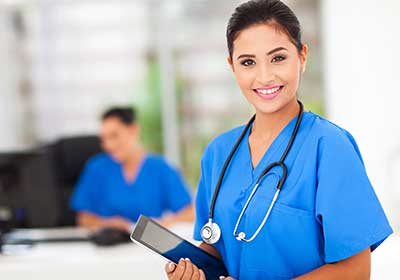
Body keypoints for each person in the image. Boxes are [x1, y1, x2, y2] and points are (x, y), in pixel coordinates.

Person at [165, 0, 393, 279]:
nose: (264, 76)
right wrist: (194, 271)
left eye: (278, 58)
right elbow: (219, 246)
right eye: (248, 62)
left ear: (303, 57)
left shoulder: (330, 147)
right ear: (232, 66)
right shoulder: (218, 153)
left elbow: (356, 271)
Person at [70, 106, 194, 232]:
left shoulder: (161, 168)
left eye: (114, 136)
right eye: (104, 139)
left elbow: (191, 212)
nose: (108, 145)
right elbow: (83, 219)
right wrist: (106, 223)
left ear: (134, 130)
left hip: (146, 245)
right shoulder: (96, 168)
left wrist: (165, 223)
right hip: (109, 244)